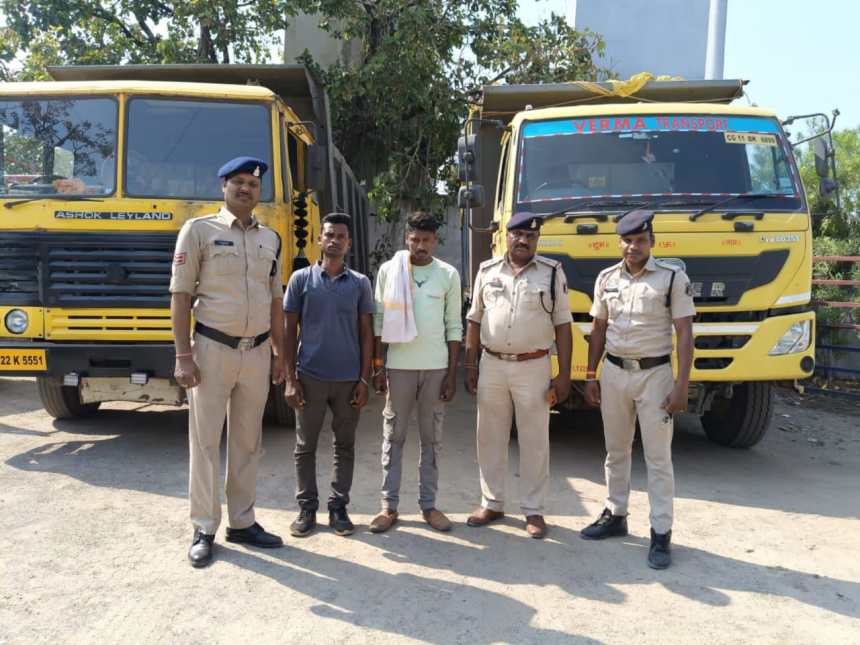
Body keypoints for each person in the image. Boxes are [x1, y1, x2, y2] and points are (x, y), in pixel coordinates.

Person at [170, 156, 286, 568]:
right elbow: (181, 295)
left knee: (248, 441)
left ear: (259, 192)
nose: (245, 189)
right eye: (237, 181)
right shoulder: (199, 230)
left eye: (252, 184)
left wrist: (280, 354)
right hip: (211, 350)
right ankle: (204, 527)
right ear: (223, 186)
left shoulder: (270, 238)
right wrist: (183, 356)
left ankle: (242, 521)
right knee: (205, 442)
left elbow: (276, 300)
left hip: (256, 352)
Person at [580, 209, 695, 570]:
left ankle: (661, 533)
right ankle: (616, 514)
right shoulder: (606, 278)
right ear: (620, 243)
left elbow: (684, 333)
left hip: (655, 376)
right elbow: (598, 330)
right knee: (616, 450)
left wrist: (681, 385)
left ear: (652, 242)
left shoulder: (672, 278)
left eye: (640, 240)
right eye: (627, 241)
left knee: (658, 458)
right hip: (614, 373)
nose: (633, 247)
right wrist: (590, 375)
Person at [463, 211, 573, 539]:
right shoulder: (487, 271)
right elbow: (474, 319)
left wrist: (564, 375)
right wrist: (470, 365)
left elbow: (563, 326)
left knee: (534, 439)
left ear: (537, 240)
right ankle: (492, 502)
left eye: (530, 236)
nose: (523, 240)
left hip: (533, 366)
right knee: (489, 437)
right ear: (507, 236)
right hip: (492, 364)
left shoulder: (552, 273)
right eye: (518, 234)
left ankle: (534, 509)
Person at [368, 211, 463, 534]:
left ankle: (429, 505)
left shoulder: (448, 274)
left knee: (431, 439)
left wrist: (451, 374)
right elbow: (379, 320)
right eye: (415, 239)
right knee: (393, 437)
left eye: (427, 240)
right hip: (399, 367)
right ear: (406, 238)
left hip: (435, 368)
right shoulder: (390, 271)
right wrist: (378, 365)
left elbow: (454, 325)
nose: (420, 246)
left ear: (435, 241)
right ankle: (388, 506)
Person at [283, 212, 374, 538]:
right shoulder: (301, 279)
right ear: (318, 239)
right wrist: (290, 379)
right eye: (329, 235)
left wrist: (364, 379)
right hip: (310, 377)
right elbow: (289, 330)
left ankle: (338, 507)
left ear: (348, 243)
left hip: (348, 380)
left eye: (341, 236)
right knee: (305, 446)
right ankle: (307, 508)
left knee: (344, 445)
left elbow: (367, 333)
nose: (334, 241)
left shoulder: (360, 283)